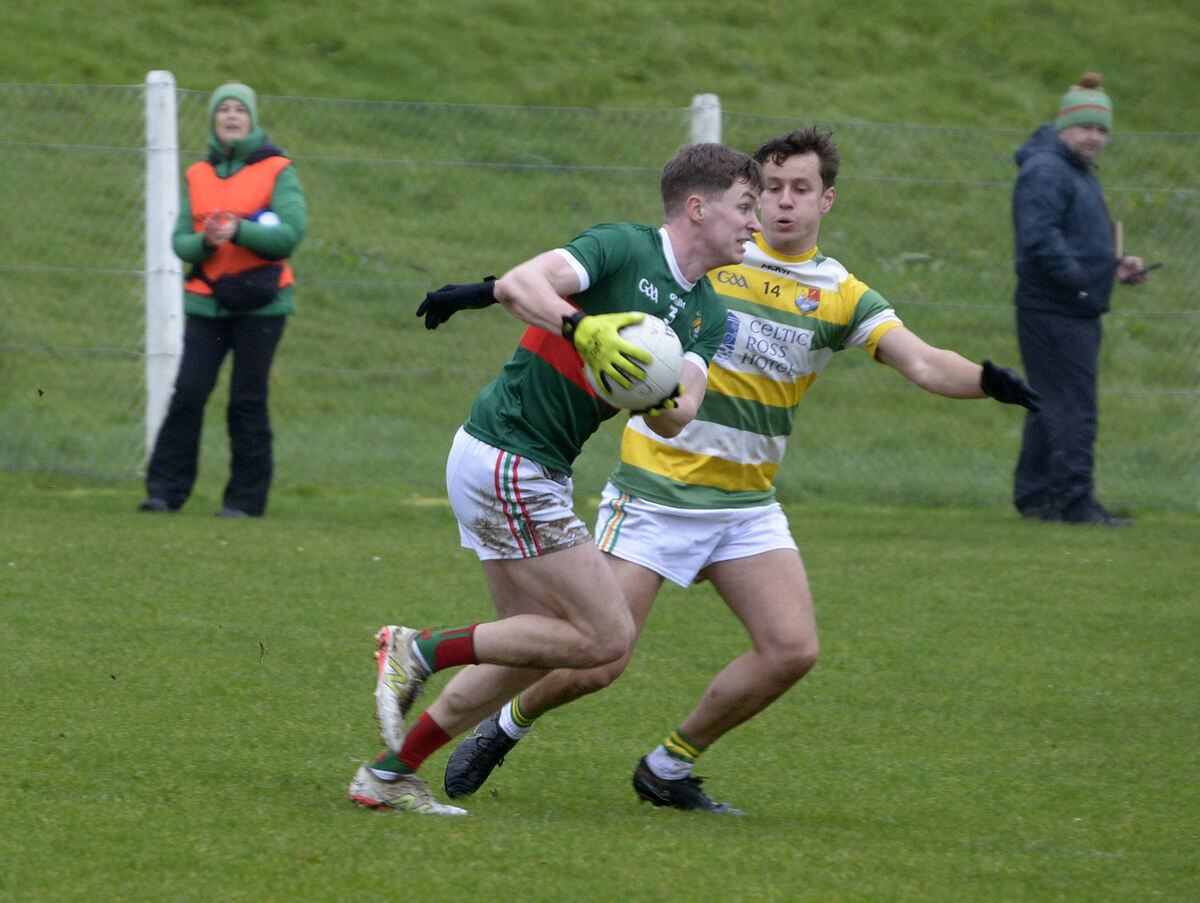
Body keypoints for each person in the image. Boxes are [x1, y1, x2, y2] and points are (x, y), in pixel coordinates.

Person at [441, 126, 1040, 815]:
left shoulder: (840, 293)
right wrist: (487, 291)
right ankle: (506, 723)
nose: (781, 203)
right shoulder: (716, 257)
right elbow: (600, 278)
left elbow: (925, 362)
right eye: (771, 188)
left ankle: (667, 765)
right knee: (601, 660)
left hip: (746, 504)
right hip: (656, 492)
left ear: (827, 200)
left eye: (800, 189)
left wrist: (988, 380)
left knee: (792, 649)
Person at [347, 143, 765, 815]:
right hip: (507, 452)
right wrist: (584, 329)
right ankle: (415, 649)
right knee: (607, 637)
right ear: (697, 207)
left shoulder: (707, 313)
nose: (756, 222)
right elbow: (520, 283)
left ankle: (389, 774)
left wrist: (651, 385)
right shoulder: (622, 247)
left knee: (531, 648)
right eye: (745, 206)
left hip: (526, 464)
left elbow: (678, 416)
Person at [139, 81, 307, 518]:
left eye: (239, 109)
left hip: (262, 304)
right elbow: (181, 242)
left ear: (252, 119)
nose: (231, 116)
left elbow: (291, 233)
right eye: (223, 109)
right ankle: (164, 492)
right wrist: (208, 242)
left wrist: (240, 231)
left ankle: (244, 502)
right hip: (207, 303)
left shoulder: (278, 170)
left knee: (246, 400)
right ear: (213, 119)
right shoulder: (197, 174)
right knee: (188, 394)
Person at [1010, 72, 1151, 526]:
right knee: (1074, 407)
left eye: (1101, 130)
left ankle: (1036, 498)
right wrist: (1083, 285)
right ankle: (1075, 504)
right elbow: (1040, 242)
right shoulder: (1047, 171)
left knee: (1049, 403)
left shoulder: (1074, 171)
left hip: (1068, 305)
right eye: (1086, 127)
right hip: (1057, 309)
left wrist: (1115, 264)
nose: (1095, 137)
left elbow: (1075, 240)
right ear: (1064, 126)